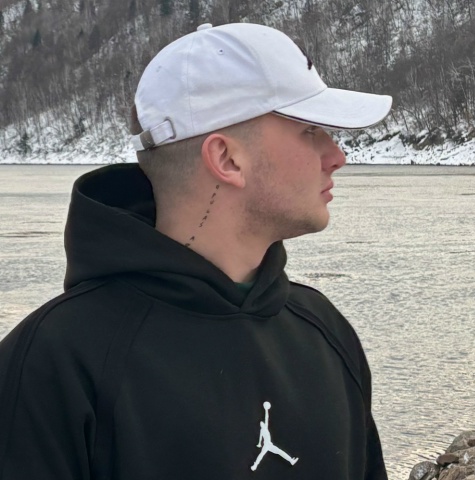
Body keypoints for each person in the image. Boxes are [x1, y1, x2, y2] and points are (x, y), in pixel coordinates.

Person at [0, 22, 392, 480]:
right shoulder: (52, 364)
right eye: (310, 130)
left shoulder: (325, 332)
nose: (337, 156)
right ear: (226, 159)